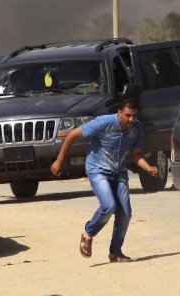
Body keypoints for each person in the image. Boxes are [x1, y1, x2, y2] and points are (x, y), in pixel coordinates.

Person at [50, 98, 158, 263]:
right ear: (119, 113)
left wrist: (148, 167)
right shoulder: (103, 123)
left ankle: (115, 253)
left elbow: (137, 154)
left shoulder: (137, 128)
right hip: (97, 170)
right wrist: (59, 160)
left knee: (125, 214)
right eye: (128, 115)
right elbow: (72, 135)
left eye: (134, 116)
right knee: (108, 205)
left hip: (119, 172)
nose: (131, 119)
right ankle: (88, 233)